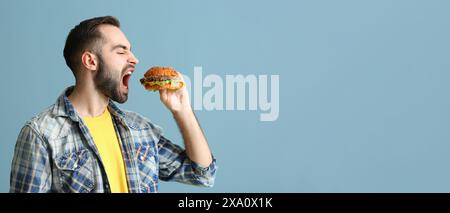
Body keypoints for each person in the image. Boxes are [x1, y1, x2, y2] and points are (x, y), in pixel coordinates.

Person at [10, 16, 216, 193]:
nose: (134, 59)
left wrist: (183, 110)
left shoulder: (139, 129)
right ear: (91, 61)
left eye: (131, 51)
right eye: (121, 51)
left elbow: (202, 174)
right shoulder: (42, 133)